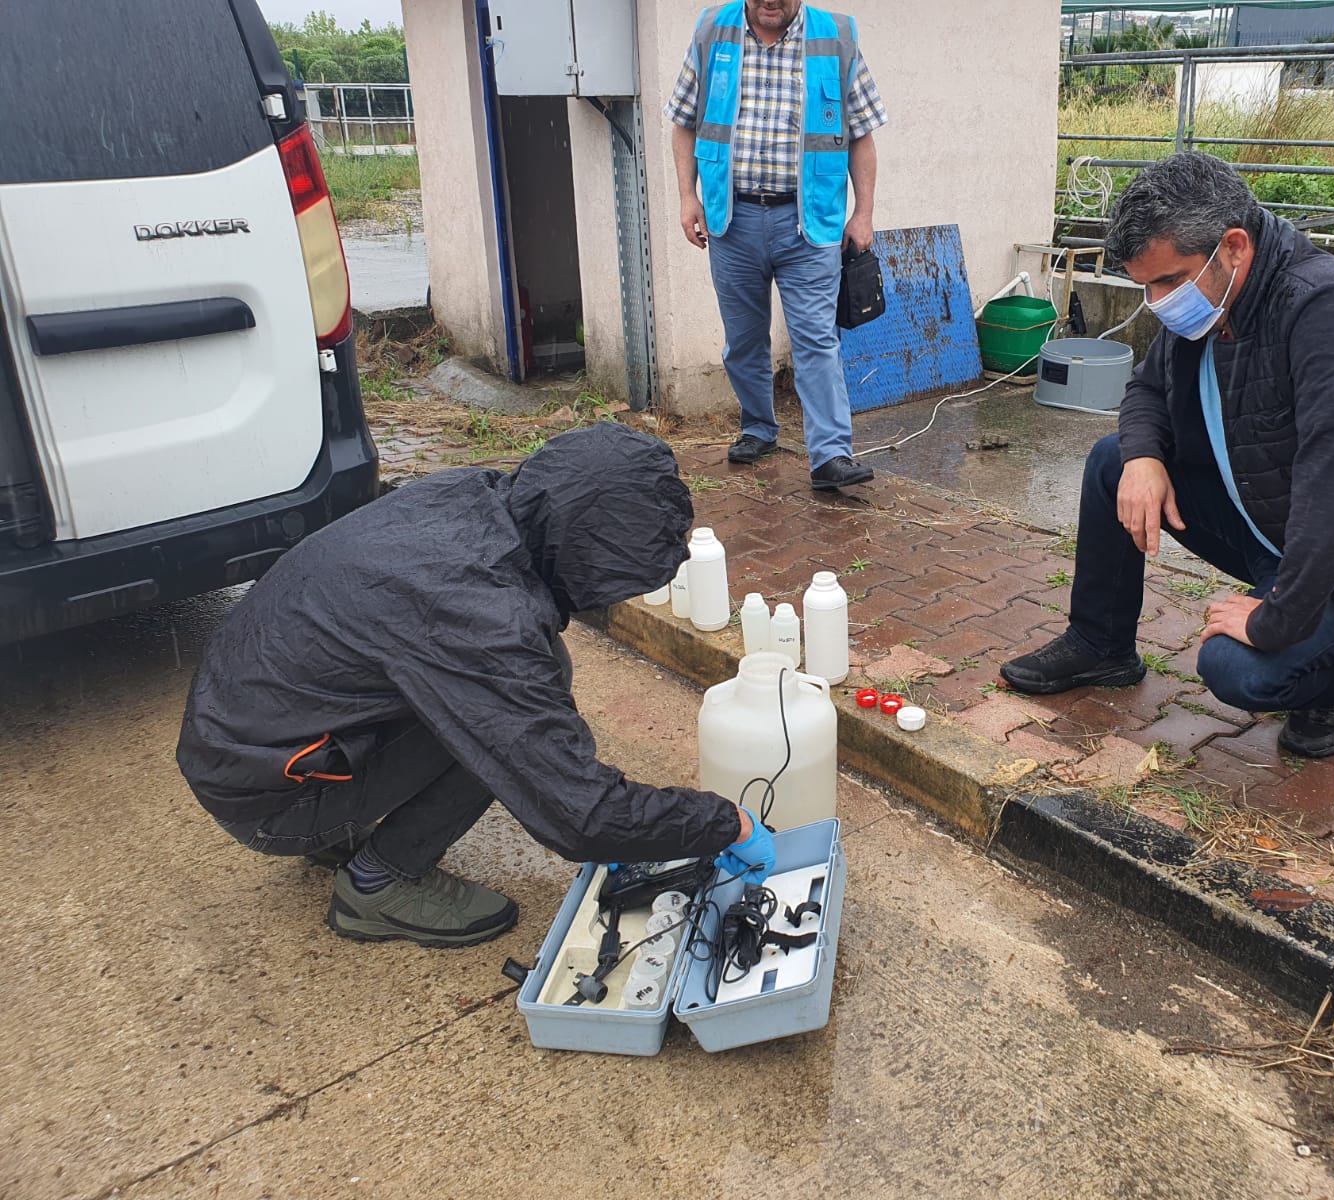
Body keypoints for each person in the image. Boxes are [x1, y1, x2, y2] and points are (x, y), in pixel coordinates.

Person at [176, 424, 774, 948]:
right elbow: (581, 817)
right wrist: (726, 824)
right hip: (271, 798)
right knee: (497, 730)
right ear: (592, 557)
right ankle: (379, 883)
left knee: (521, 689)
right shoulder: (482, 616)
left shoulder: (470, 494)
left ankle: (342, 823)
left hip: (245, 737)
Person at [1000, 152, 1334, 759]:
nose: (1156, 302)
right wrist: (1144, 459)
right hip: (1264, 521)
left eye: (1167, 282)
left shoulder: (1327, 306)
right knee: (1113, 460)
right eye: (1144, 285)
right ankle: (1101, 645)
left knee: (1239, 671)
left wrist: (1275, 618)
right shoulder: (1209, 297)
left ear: (1234, 246)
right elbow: (1147, 391)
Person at [666, 0, 887, 492]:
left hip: (808, 221)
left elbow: (861, 134)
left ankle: (831, 454)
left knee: (816, 340)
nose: (771, 2)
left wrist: (864, 212)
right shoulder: (712, 31)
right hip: (732, 217)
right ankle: (759, 428)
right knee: (743, 339)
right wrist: (688, 196)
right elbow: (683, 120)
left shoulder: (836, 35)